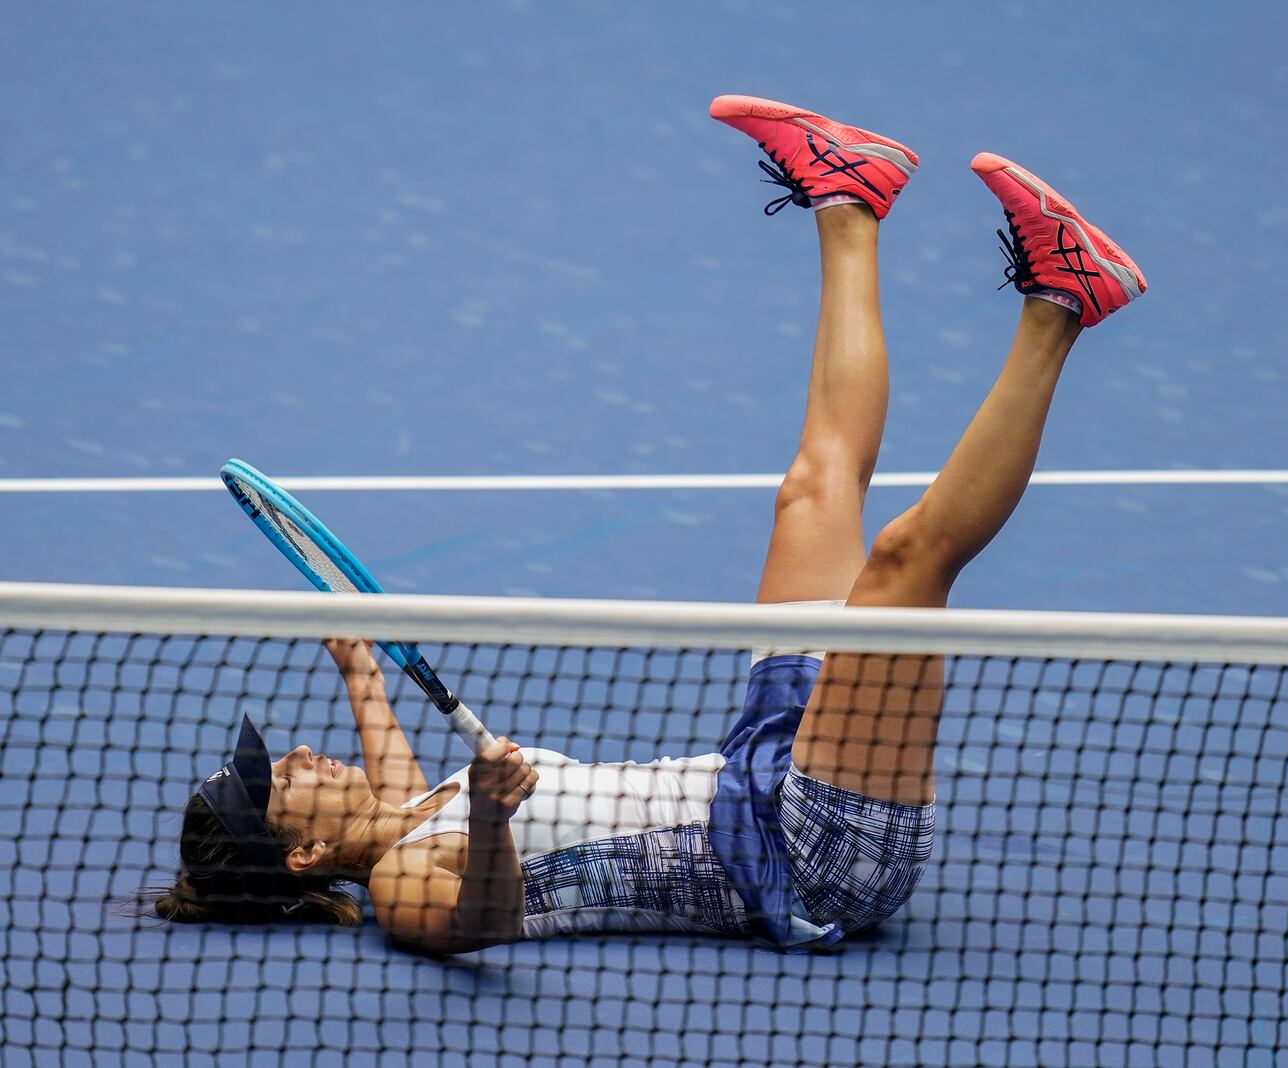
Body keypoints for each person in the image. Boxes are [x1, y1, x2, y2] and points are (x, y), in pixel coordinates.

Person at [142, 95, 1146, 953]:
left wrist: (359, 665)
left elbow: (389, 753)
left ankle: (848, 199)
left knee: (812, 487)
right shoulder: (402, 884)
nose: (298, 760)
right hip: (810, 857)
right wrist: (491, 818)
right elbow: (479, 922)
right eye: (280, 785)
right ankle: (1062, 300)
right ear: (307, 854)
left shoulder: (405, 807)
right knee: (899, 566)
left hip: (760, 764)